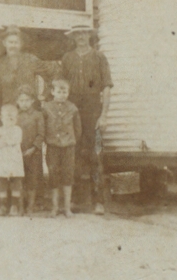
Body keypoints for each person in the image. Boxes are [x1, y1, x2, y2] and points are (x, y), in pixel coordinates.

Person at [60, 24, 112, 215]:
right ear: (73, 37)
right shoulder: (67, 58)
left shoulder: (99, 57)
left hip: (93, 110)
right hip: (72, 110)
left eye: (84, 33)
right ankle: (74, 200)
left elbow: (106, 87)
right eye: (77, 34)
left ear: (89, 35)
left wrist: (104, 115)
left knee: (95, 154)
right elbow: (61, 87)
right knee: (72, 153)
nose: (81, 37)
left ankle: (98, 201)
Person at [0, 26, 59, 125]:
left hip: (30, 110)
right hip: (9, 111)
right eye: (10, 42)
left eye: (16, 42)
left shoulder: (31, 60)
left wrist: (45, 95)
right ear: (4, 43)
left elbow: (53, 73)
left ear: (21, 44)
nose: (13, 45)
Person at [43, 79, 82, 218]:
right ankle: (54, 207)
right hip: (53, 146)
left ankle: (67, 208)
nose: (62, 94)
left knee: (68, 175)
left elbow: (78, 129)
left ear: (68, 92)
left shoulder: (72, 108)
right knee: (54, 175)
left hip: (68, 147)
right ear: (52, 92)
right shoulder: (46, 107)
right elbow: (43, 126)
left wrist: (71, 141)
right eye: (59, 91)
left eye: (64, 91)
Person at [16, 85, 45, 214]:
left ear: (32, 101)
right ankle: (21, 205)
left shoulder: (38, 115)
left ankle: (31, 205)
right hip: (18, 152)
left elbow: (41, 134)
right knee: (20, 178)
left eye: (27, 100)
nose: (24, 103)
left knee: (32, 179)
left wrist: (33, 148)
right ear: (17, 102)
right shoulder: (16, 116)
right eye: (21, 100)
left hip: (34, 152)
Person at [0, 104, 25, 216]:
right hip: (2, 162)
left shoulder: (17, 130)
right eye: (7, 117)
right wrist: (0, 142)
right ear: (1, 118)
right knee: (2, 185)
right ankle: (3, 206)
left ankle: (14, 206)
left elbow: (14, 141)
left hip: (14, 162)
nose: (10, 120)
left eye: (12, 118)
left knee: (15, 184)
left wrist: (3, 141)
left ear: (16, 119)